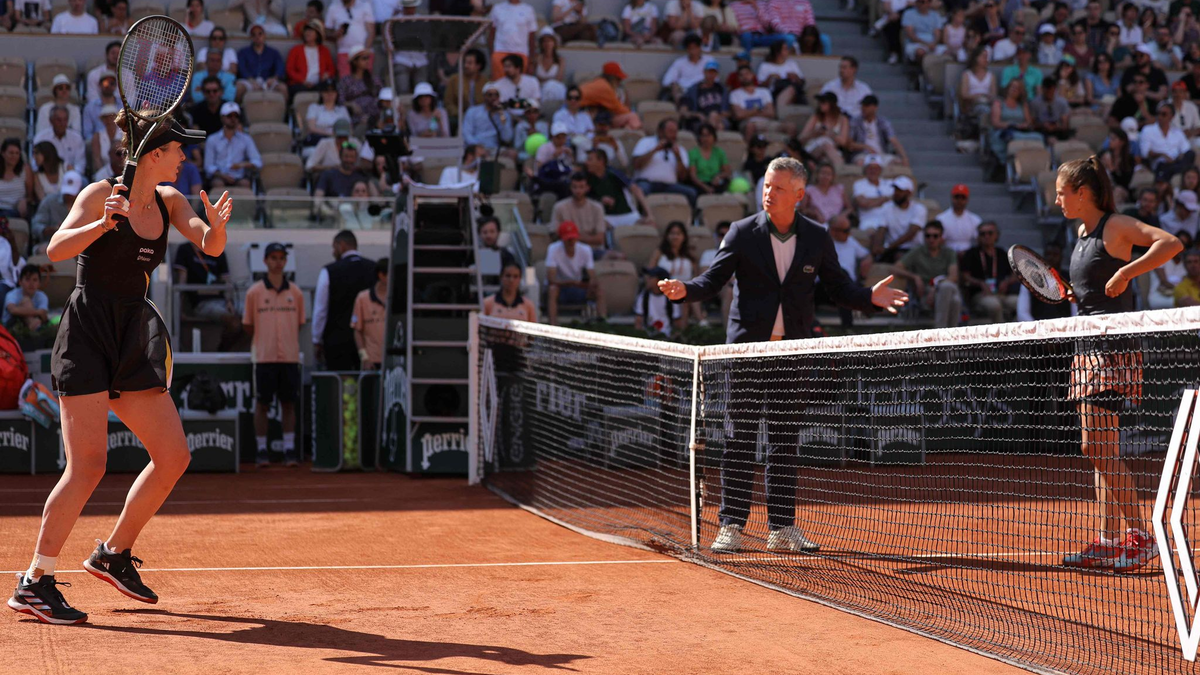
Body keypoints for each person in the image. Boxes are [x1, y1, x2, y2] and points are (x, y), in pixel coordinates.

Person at [9, 113, 228, 625]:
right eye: (178, 149)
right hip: (87, 333)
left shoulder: (171, 200)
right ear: (155, 152)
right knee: (88, 466)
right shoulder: (99, 193)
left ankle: (112, 553)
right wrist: (102, 224)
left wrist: (215, 227)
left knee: (173, 456)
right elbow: (55, 250)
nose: (184, 157)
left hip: (132, 334)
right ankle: (34, 581)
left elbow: (210, 246)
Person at [658, 157, 908, 553]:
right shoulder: (741, 233)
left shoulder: (816, 236)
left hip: (792, 351)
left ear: (799, 195)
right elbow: (713, 280)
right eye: (766, 186)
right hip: (747, 351)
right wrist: (685, 289)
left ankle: (781, 528)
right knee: (739, 438)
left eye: (777, 188)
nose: (768, 193)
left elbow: (840, 288)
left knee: (784, 442)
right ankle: (731, 526)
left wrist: (870, 298)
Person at [1054, 156, 1181, 571]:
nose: (1057, 200)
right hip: (1086, 345)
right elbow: (1092, 288)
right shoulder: (1081, 231)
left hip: (1113, 349)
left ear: (1083, 193)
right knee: (1101, 450)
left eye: (1062, 193)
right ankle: (1110, 539)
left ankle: (1142, 535)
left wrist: (1129, 270)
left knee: (1096, 447)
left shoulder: (1117, 226)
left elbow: (1170, 243)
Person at [243, 243, 305, 468]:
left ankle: (289, 448)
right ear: (265, 261)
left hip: (289, 357)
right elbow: (248, 325)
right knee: (262, 404)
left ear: (286, 261)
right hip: (264, 356)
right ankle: (261, 449)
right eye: (273, 257)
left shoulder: (296, 293)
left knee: (288, 403)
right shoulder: (254, 293)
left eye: (281, 258)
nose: (277, 262)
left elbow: (299, 324)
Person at [313, 230, 375, 370]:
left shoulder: (329, 271)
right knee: (368, 385)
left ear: (341, 245)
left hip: (337, 340)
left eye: (334, 247)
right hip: (369, 340)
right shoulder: (374, 269)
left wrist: (317, 339)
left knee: (341, 385)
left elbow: (321, 310)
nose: (333, 252)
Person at [893, 220, 962, 327]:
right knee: (955, 300)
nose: (931, 239)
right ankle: (950, 335)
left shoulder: (949, 252)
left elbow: (953, 276)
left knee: (947, 287)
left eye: (935, 236)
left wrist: (936, 286)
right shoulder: (918, 251)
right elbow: (896, 269)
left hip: (942, 289)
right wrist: (915, 277)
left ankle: (941, 331)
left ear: (941, 237)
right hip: (926, 293)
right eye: (928, 236)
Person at [546, 220, 605, 324]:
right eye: (568, 238)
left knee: (599, 289)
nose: (571, 241)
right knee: (552, 290)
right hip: (561, 288)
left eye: (573, 238)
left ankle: (603, 323)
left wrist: (591, 283)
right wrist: (570, 283)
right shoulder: (553, 249)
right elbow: (551, 279)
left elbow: (591, 274)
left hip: (578, 287)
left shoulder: (585, 249)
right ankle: (553, 324)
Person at [632, 119, 697, 208]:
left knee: (691, 193)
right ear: (660, 132)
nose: (673, 135)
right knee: (642, 189)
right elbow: (636, 165)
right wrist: (655, 150)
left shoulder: (680, 150)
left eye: (675, 131)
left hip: (669, 186)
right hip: (647, 183)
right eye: (670, 131)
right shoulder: (646, 142)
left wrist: (678, 157)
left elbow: (683, 177)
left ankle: (689, 220)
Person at [960, 221, 1017, 322]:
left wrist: (1007, 282)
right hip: (981, 294)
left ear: (996, 235)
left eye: (990, 233)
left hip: (1001, 293)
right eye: (982, 234)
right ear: (978, 237)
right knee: (994, 305)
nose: (986, 236)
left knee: (1020, 303)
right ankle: (1001, 335)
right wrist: (980, 283)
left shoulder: (1002, 253)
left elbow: (1014, 274)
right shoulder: (971, 253)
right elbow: (965, 276)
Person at [584, 148, 654, 228]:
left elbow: (636, 190)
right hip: (606, 217)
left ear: (601, 161)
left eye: (590, 160)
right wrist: (600, 200)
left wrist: (649, 214)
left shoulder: (614, 173)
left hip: (627, 214)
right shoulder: (586, 178)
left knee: (650, 225)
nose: (586, 163)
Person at [204, 102, 262, 189]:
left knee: (245, 183)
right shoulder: (212, 139)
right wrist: (222, 175)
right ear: (222, 118)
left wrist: (242, 165)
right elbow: (208, 166)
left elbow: (257, 162)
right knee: (218, 184)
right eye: (229, 116)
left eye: (236, 116)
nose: (233, 119)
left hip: (239, 177)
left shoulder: (246, 139)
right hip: (219, 177)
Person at [871, 175, 926, 262]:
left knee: (900, 257)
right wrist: (876, 247)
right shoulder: (886, 207)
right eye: (895, 189)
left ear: (908, 193)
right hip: (893, 249)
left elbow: (911, 233)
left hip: (913, 249)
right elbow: (881, 229)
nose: (896, 193)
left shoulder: (919, 209)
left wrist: (887, 247)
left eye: (900, 190)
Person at [1016, 242, 1074, 321]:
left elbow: (1075, 313)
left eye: (1055, 254)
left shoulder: (1070, 279)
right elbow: (1022, 313)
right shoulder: (1030, 280)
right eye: (1048, 254)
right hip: (1038, 329)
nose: (1051, 258)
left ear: (1061, 257)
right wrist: (1038, 329)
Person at [551, 173, 607, 252]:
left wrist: (572, 237)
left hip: (593, 250)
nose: (578, 191)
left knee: (617, 257)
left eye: (581, 187)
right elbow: (556, 234)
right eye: (575, 187)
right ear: (570, 188)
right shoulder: (559, 207)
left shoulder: (597, 208)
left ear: (587, 188)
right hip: (568, 250)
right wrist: (587, 237)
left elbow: (600, 239)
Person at [4, 263, 55, 349]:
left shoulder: (42, 296)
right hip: (12, 326)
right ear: (20, 282)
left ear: (39, 283)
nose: (31, 283)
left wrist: (36, 315)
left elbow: (43, 315)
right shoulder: (12, 294)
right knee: (26, 301)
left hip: (34, 325)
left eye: (35, 280)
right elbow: (12, 310)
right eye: (27, 279)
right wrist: (36, 312)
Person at [577, 62, 642, 130]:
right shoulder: (604, 87)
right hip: (582, 114)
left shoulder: (599, 82)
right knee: (633, 117)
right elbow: (620, 109)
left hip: (584, 112)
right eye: (618, 79)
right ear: (612, 78)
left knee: (628, 123)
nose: (620, 82)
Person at [848, 95, 908, 166]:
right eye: (863, 105)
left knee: (897, 163)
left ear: (875, 108)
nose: (863, 108)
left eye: (867, 105)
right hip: (862, 155)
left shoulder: (883, 122)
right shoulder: (855, 122)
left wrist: (904, 157)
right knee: (860, 163)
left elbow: (894, 140)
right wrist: (865, 147)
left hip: (881, 154)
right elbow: (849, 144)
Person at [1141, 103, 1195, 183]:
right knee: (1167, 166)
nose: (1160, 116)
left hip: (1176, 162)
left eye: (1163, 114)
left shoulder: (1177, 132)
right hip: (1161, 164)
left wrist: (1179, 156)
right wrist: (1162, 155)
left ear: (1171, 117)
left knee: (1191, 154)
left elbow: (1186, 150)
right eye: (1158, 113)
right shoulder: (1148, 130)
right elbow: (1145, 153)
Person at [351, 256, 388, 370]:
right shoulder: (362, 298)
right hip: (372, 362)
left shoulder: (399, 298)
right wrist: (364, 358)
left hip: (394, 361)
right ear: (381, 275)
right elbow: (357, 331)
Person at [235, 24, 288, 102]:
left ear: (264, 35)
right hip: (249, 81)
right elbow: (242, 68)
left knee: (282, 88)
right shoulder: (243, 52)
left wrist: (274, 78)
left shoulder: (273, 52)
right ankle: (237, 112)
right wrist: (251, 80)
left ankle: (284, 113)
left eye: (260, 34)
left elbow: (280, 67)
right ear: (251, 37)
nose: (257, 37)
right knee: (238, 88)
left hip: (268, 81)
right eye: (254, 34)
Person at [488, 0, 538, 79]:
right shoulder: (497, 8)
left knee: (519, 86)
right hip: (500, 52)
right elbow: (491, 34)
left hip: (521, 53)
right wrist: (492, 55)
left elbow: (532, 37)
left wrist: (531, 60)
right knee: (499, 86)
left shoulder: (528, 10)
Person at [462, 83, 515, 155]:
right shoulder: (472, 111)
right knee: (479, 152)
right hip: (476, 146)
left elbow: (507, 138)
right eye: (490, 95)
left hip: (495, 148)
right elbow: (466, 134)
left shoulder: (503, 114)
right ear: (484, 96)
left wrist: (501, 114)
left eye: (496, 95)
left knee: (512, 153)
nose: (493, 97)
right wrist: (477, 145)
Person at [325, 0, 375, 77]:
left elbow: (371, 32)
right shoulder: (333, 7)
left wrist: (365, 51)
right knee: (346, 82)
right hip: (344, 51)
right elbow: (327, 32)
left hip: (363, 51)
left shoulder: (364, 5)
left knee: (365, 82)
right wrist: (335, 34)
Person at [31, 170, 82, 244]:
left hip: (77, 244)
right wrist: (48, 230)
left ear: (80, 190)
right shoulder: (49, 201)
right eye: (67, 193)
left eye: (72, 193)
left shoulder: (86, 204)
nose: (69, 196)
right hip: (51, 243)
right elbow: (36, 226)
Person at [32, 107, 86, 174]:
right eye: (59, 120)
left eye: (65, 120)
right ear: (51, 121)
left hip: (70, 174)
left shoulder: (77, 138)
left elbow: (80, 164)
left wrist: (73, 171)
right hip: (46, 174)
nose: (62, 123)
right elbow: (34, 164)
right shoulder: (41, 137)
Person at [634, 266, 684, 335]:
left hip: (668, 337)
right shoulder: (644, 296)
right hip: (648, 337)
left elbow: (677, 322)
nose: (647, 280)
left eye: (651, 277)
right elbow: (638, 321)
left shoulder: (671, 298)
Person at [935, 184, 982, 253]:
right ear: (952, 198)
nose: (959, 200)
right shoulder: (941, 218)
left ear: (967, 200)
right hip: (947, 253)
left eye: (963, 198)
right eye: (957, 197)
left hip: (968, 254)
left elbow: (979, 240)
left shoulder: (975, 219)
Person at [663, 35, 709, 104]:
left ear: (700, 48)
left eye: (695, 48)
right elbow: (666, 81)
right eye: (690, 48)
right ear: (687, 49)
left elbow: (715, 79)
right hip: (685, 93)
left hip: (704, 93)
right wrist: (674, 85)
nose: (693, 51)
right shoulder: (679, 62)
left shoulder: (709, 61)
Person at [688, 123, 732, 195]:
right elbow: (693, 176)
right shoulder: (693, 153)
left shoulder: (719, 152)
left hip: (715, 182)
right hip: (700, 184)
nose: (706, 138)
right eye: (703, 136)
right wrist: (705, 187)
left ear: (714, 137)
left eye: (709, 135)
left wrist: (719, 176)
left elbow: (727, 172)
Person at [0, 139, 30, 220]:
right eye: (11, 153)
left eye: (17, 153)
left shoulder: (25, 170)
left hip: (15, 211)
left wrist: (25, 201)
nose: (14, 156)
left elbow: (30, 195)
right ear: (3, 153)